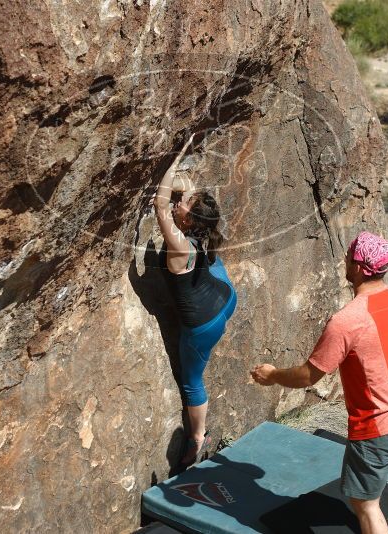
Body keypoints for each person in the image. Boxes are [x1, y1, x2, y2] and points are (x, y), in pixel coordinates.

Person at [250, 231, 388, 534]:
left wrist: (272, 376)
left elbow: (309, 375)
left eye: (348, 257)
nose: (343, 261)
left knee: (365, 504)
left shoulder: (348, 320)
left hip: (379, 424)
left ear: (359, 268)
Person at [154, 133, 237, 467]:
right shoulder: (200, 232)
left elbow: (160, 205)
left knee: (191, 383)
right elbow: (183, 194)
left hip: (204, 325)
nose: (178, 203)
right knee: (217, 268)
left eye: (183, 205)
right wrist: (182, 184)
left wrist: (172, 158)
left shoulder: (179, 245)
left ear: (187, 220)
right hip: (225, 296)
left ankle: (197, 437)